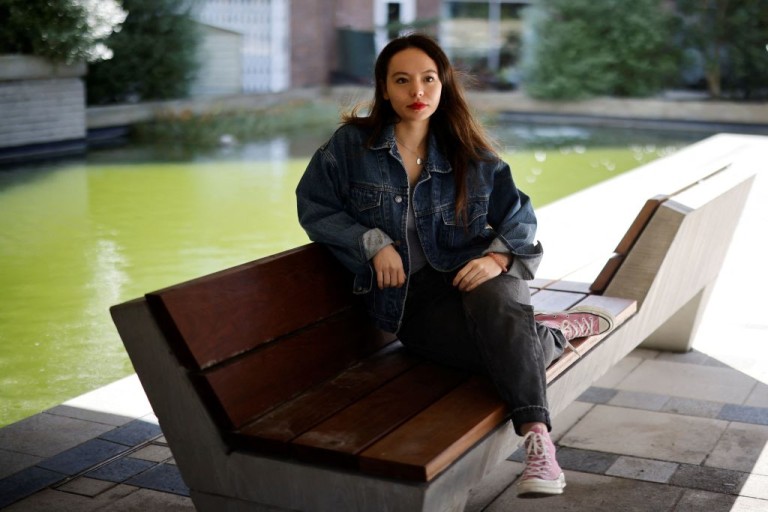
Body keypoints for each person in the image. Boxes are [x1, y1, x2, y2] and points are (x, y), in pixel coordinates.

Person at [295, 33, 614, 497]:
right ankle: (555, 333)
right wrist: (371, 242)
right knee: (500, 352)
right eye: (402, 81)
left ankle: (538, 442)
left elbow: (520, 216)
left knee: (499, 309)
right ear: (384, 88)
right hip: (411, 303)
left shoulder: (466, 150)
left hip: (476, 275)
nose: (416, 92)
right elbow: (315, 207)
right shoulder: (351, 146)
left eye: (428, 79)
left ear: (443, 85)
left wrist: (499, 257)